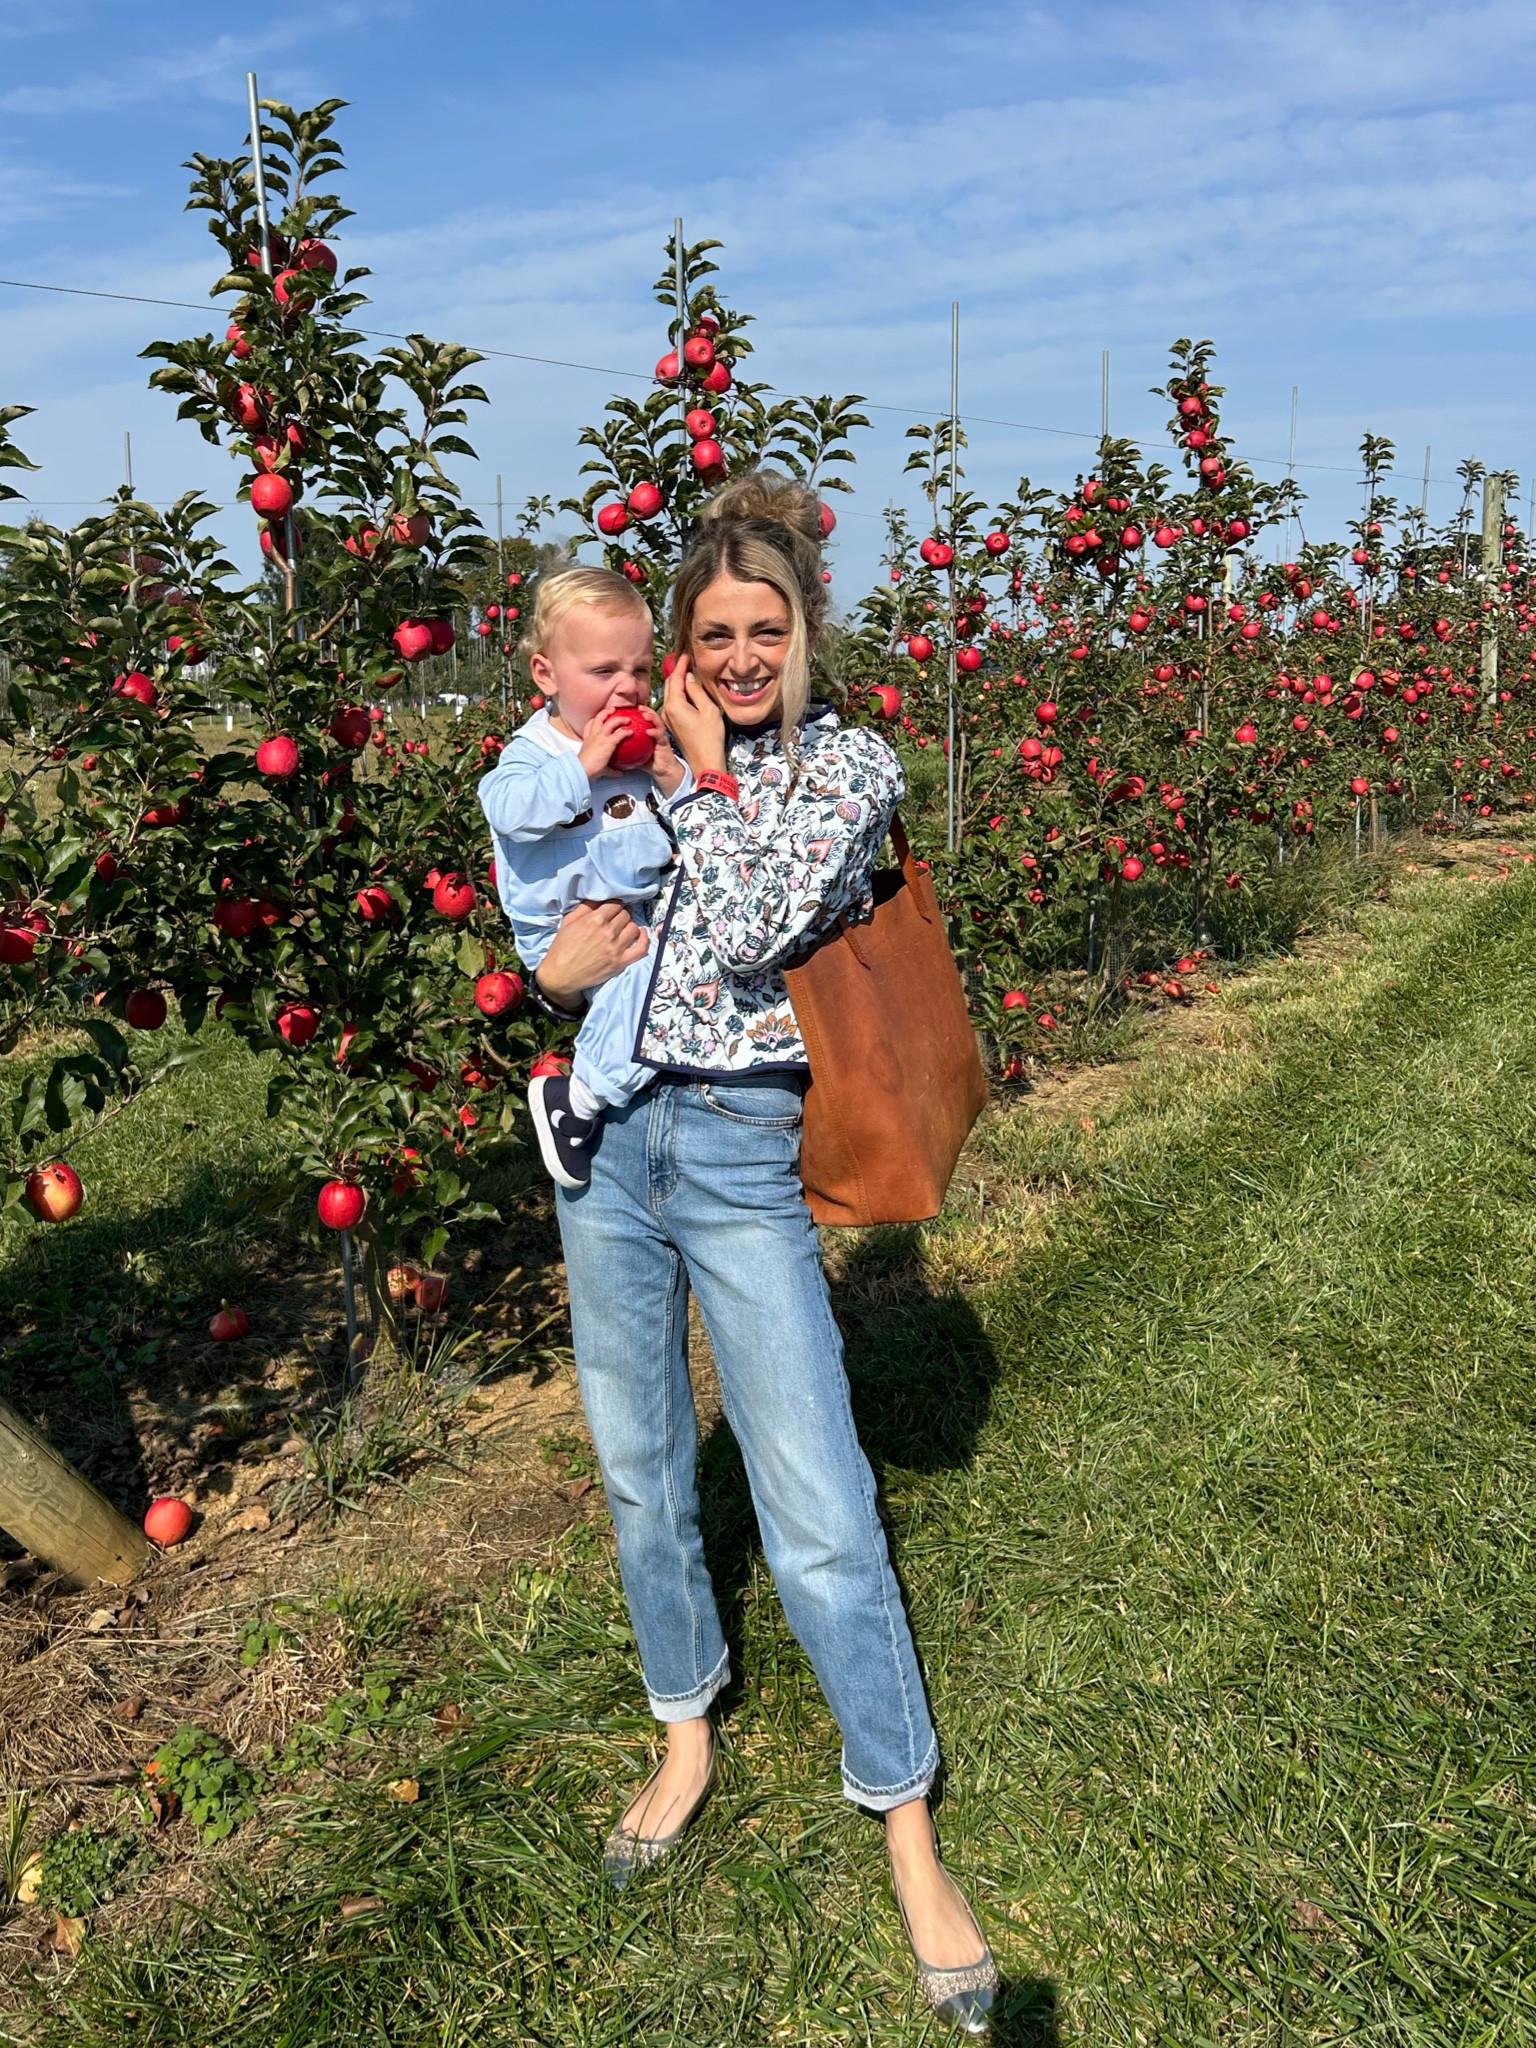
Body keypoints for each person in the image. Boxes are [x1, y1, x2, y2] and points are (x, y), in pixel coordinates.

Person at [529, 473, 998, 2036]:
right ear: (676, 640)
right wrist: (550, 974)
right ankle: (685, 1732)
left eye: (763, 631)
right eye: (712, 634)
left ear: (802, 635)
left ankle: (908, 1823)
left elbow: (735, 928)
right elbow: (567, 921)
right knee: (644, 1465)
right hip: (607, 1151)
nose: (738, 655)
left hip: (736, 1151)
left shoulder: (843, 765)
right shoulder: (625, 762)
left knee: (813, 1495)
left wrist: (706, 772)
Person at [478, 567, 690, 1187]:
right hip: (563, 930)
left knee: (660, 988)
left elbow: (682, 827)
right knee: (647, 991)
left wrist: (668, 770)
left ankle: (597, 1091)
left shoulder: (645, 750)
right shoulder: (536, 752)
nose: (627, 689)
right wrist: (582, 765)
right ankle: (579, 1098)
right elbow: (508, 811)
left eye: (642, 670)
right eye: (603, 673)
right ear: (546, 674)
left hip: (630, 916)